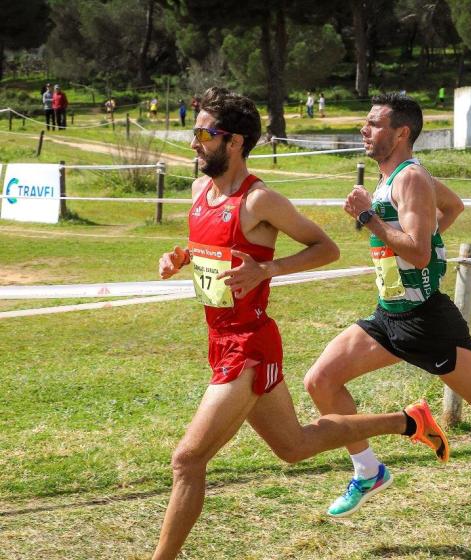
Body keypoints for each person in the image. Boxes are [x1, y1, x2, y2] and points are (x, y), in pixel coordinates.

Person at [152, 87, 451, 559]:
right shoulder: (198, 192)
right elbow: (212, 247)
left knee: (187, 460)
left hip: (250, 346)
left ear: (233, 142)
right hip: (218, 339)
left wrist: (267, 269)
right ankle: (407, 422)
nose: (194, 142)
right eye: (195, 132)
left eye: (203, 133)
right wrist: (182, 256)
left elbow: (326, 248)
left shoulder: (260, 201)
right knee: (293, 447)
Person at [303, 93, 471, 536]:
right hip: (390, 315)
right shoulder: (393, 176)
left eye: (374, 124)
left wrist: (372, 221)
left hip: (429, 321)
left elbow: (413, 251)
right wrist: (428, 240)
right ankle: (368, 470)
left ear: (401, 133)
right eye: (366, 123)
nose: (364, 130)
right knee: (320, 380)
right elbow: (451, 209)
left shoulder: (410, 178)